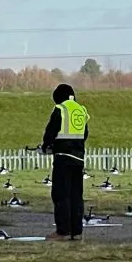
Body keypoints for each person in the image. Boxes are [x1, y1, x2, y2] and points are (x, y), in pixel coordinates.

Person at [42, 83, 90, 241]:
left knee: (61, 194)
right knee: (76, 195)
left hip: (63, 157)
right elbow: (85, 133)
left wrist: (47, 145)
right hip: (79, 158)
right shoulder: (81, 110)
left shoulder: (60, 109)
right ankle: (77, 231)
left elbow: (51, 130)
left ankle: (63, 231)